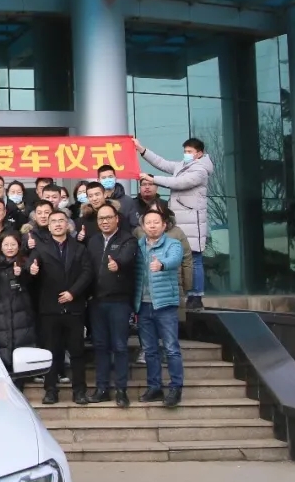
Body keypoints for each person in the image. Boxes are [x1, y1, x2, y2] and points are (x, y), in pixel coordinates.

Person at [134, 136, 214, 311]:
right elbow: (162, 163)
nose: (186, 154)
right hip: (180, 220)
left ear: (199, 154)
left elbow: (179, 183)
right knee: (179, 257)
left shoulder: (200, 170)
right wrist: (142, 150)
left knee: (194, 258)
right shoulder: (182, 166)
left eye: (190, 151)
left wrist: (153, 179)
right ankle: (185, 294)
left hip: (193, 222)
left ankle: (196, 296)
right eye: (185, 151)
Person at [30, 209, 93, 405]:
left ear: (67, 225)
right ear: (48, 226)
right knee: (51, 352)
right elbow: (29, 270)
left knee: (77, 352)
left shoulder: (80, 248)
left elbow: (87, 272)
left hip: (74, 307)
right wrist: (31, 270)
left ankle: (79, 391)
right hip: (50, 308)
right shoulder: (40, 249)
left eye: (61, 221)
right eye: (53, 221)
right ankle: (50, 390)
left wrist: (73, 292)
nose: (57, 224)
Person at [86, 203, 138, 408]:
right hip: (96, 302)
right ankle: (102, 389)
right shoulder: (93, 241)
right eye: (101, 218)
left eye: (108, 217)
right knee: (100, 346)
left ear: (117, 219)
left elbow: (126, 258)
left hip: (119, 302)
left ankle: (121, 390)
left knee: (120, 346)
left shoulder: (127, 239)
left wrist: (117, 264)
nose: (104, 221)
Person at [134, 209, 186, 408]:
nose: (152, 226)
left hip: (165, 305)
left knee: (171, 348)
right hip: (143, 305)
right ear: (143, 226)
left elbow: (175, 260)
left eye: (156, 222)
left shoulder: (173, 244)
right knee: (150, 350)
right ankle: (154, 387)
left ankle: (176, 388)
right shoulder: (138, 245)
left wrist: (162, 265)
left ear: (164, 225)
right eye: (148, 222)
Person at [0, 233, 37, 385]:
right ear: (0, 247)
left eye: (13, 244)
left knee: (21, 344)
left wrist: (23, 274)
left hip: (22, 312)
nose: (10, 248)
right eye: (6, 245)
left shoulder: (26, 263)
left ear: (19, 246)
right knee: (2, 344)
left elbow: (32, 286)